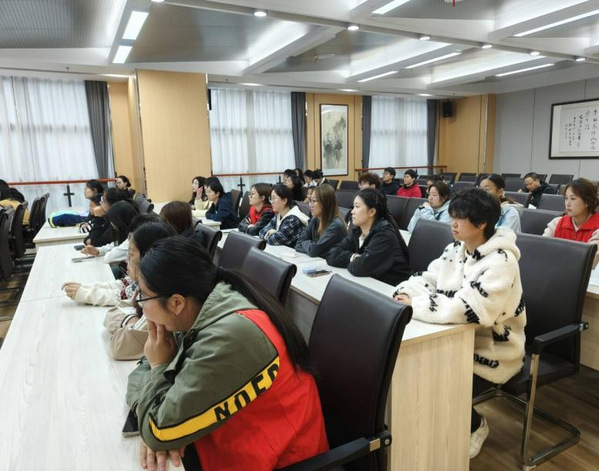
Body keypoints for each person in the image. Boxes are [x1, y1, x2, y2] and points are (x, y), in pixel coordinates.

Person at [125, 237, 328, 471]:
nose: (139, 303)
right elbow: (144, 371)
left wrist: (156, 383)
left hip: (282, 459)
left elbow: (158, 430)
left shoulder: (229, 336)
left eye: (143, 295)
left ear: (176, 303)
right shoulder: (199, 307)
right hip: (233, 439)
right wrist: (150, 414)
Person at [392, 188, 526, 459]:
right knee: (411, 369)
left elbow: (471, 309)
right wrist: (405, 291)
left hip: (492, 351)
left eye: (460, 218)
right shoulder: (456, 249)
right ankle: (424, 435)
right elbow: (427, 278)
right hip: (454, 338)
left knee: (437, 381)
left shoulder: (502, 261)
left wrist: (416, 304)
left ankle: (475, 425)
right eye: (452, 216)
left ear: (482, 223)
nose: (452, 223)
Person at [103, 221, 175, 360]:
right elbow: (114, 312)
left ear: (148, 256)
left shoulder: (158, 297)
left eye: (131, 255)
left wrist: (130, 322)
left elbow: (119, 346)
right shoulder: (147, 288)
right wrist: (132, 320)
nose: (126, 260)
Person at [62, 214, 165, 307]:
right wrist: (84, 287)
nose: (126, 259)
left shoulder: (150, 288)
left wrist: (84, 294)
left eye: (130, 255)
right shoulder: (140, 279)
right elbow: (121, 286)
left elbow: (118, 297)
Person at [326, 188, 411, 285]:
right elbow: (331, 255)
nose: (352, 211)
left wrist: (354, 260)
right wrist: (353, 257)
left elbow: (359, 268)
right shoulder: (358, 232)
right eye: (353, 207)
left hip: (392, 289)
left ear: (372, 212)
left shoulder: (384, 236)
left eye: (357, 207)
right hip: (370, 284)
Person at [543, 178, 599, 265]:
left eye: (573, 198)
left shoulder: (597, 227)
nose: (567, 204)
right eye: (566, 198)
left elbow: (591, 261)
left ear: (587, 202)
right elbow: (542, 248)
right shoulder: (557, 223)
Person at [296, 184, 347, 258]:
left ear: (325, 203)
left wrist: (309, 244)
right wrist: (312, 245)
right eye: (310, 201)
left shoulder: (335, 225)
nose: (310, 205)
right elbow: (298, 244)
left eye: (314, 201)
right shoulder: (315, 219)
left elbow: (314, 251)